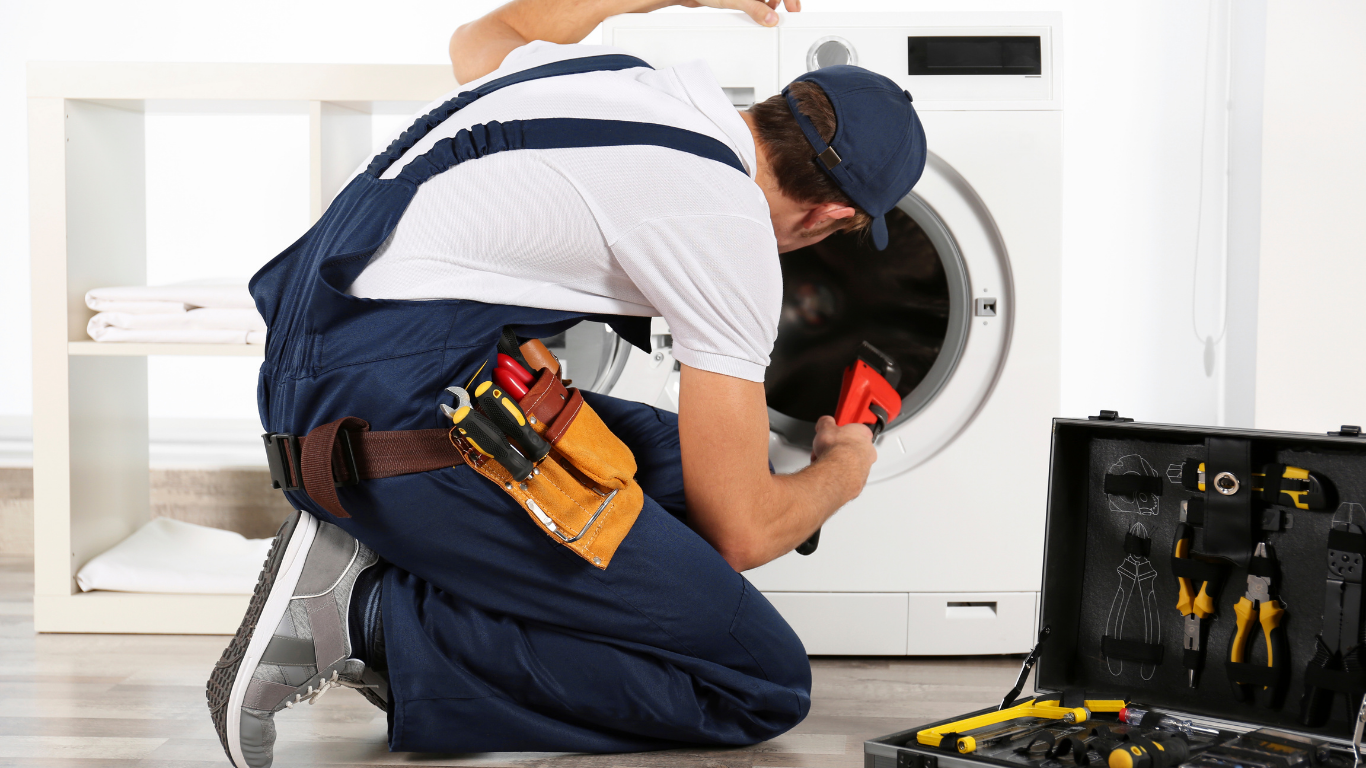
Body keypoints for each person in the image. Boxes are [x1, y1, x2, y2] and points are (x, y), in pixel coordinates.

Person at [205, 1, 927, 765]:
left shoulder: (617, 79)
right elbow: (742, 530)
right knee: (760, 681)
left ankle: (391, 562)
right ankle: (365, 616)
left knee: (679, 476)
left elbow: (481, 38)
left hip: (332, 381)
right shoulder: (728, 225)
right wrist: (844, 467)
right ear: (832, 215)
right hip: (387, 422)